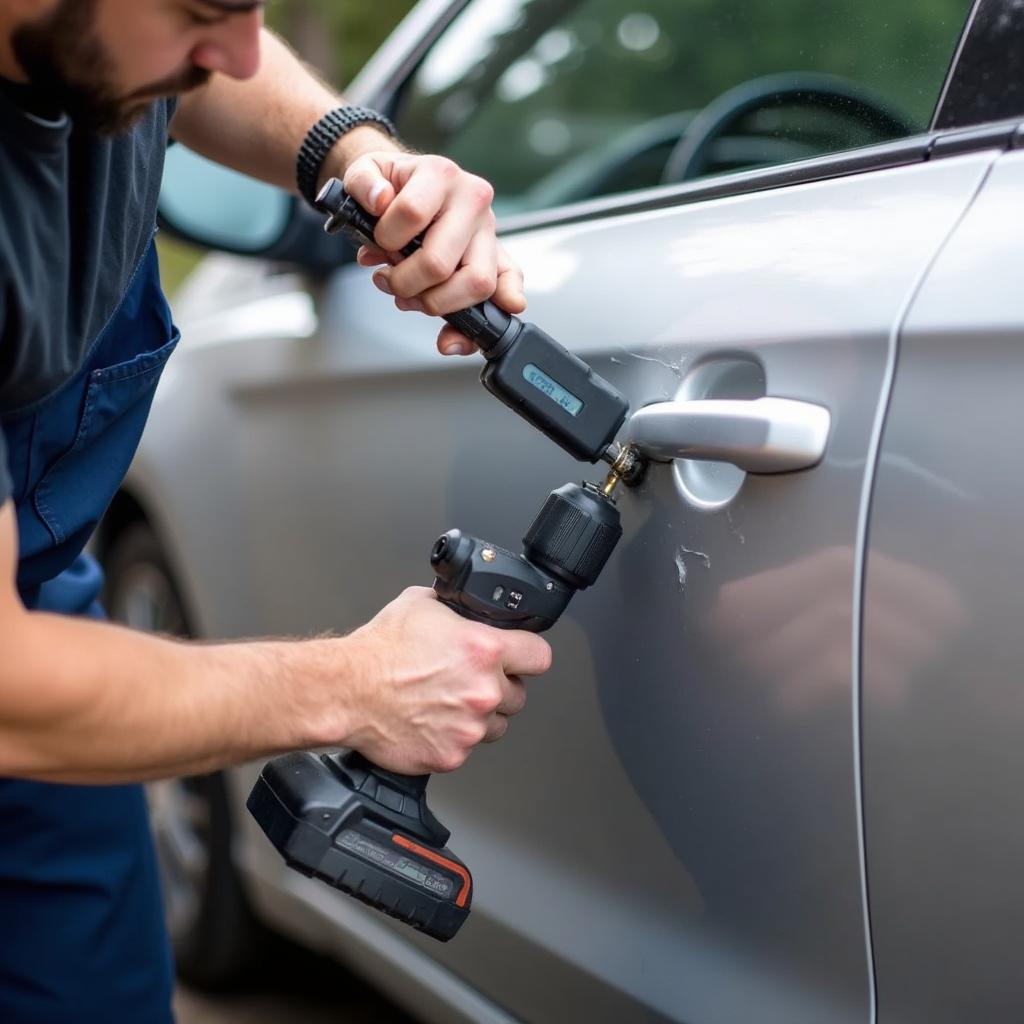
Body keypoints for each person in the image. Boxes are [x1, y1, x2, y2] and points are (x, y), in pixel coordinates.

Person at [0, 1, 552, 1020]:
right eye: (203, 13)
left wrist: (359, 153)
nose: (241, 53)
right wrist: (356, 684)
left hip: (45, 625)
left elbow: (217, 70)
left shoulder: (104, 44)